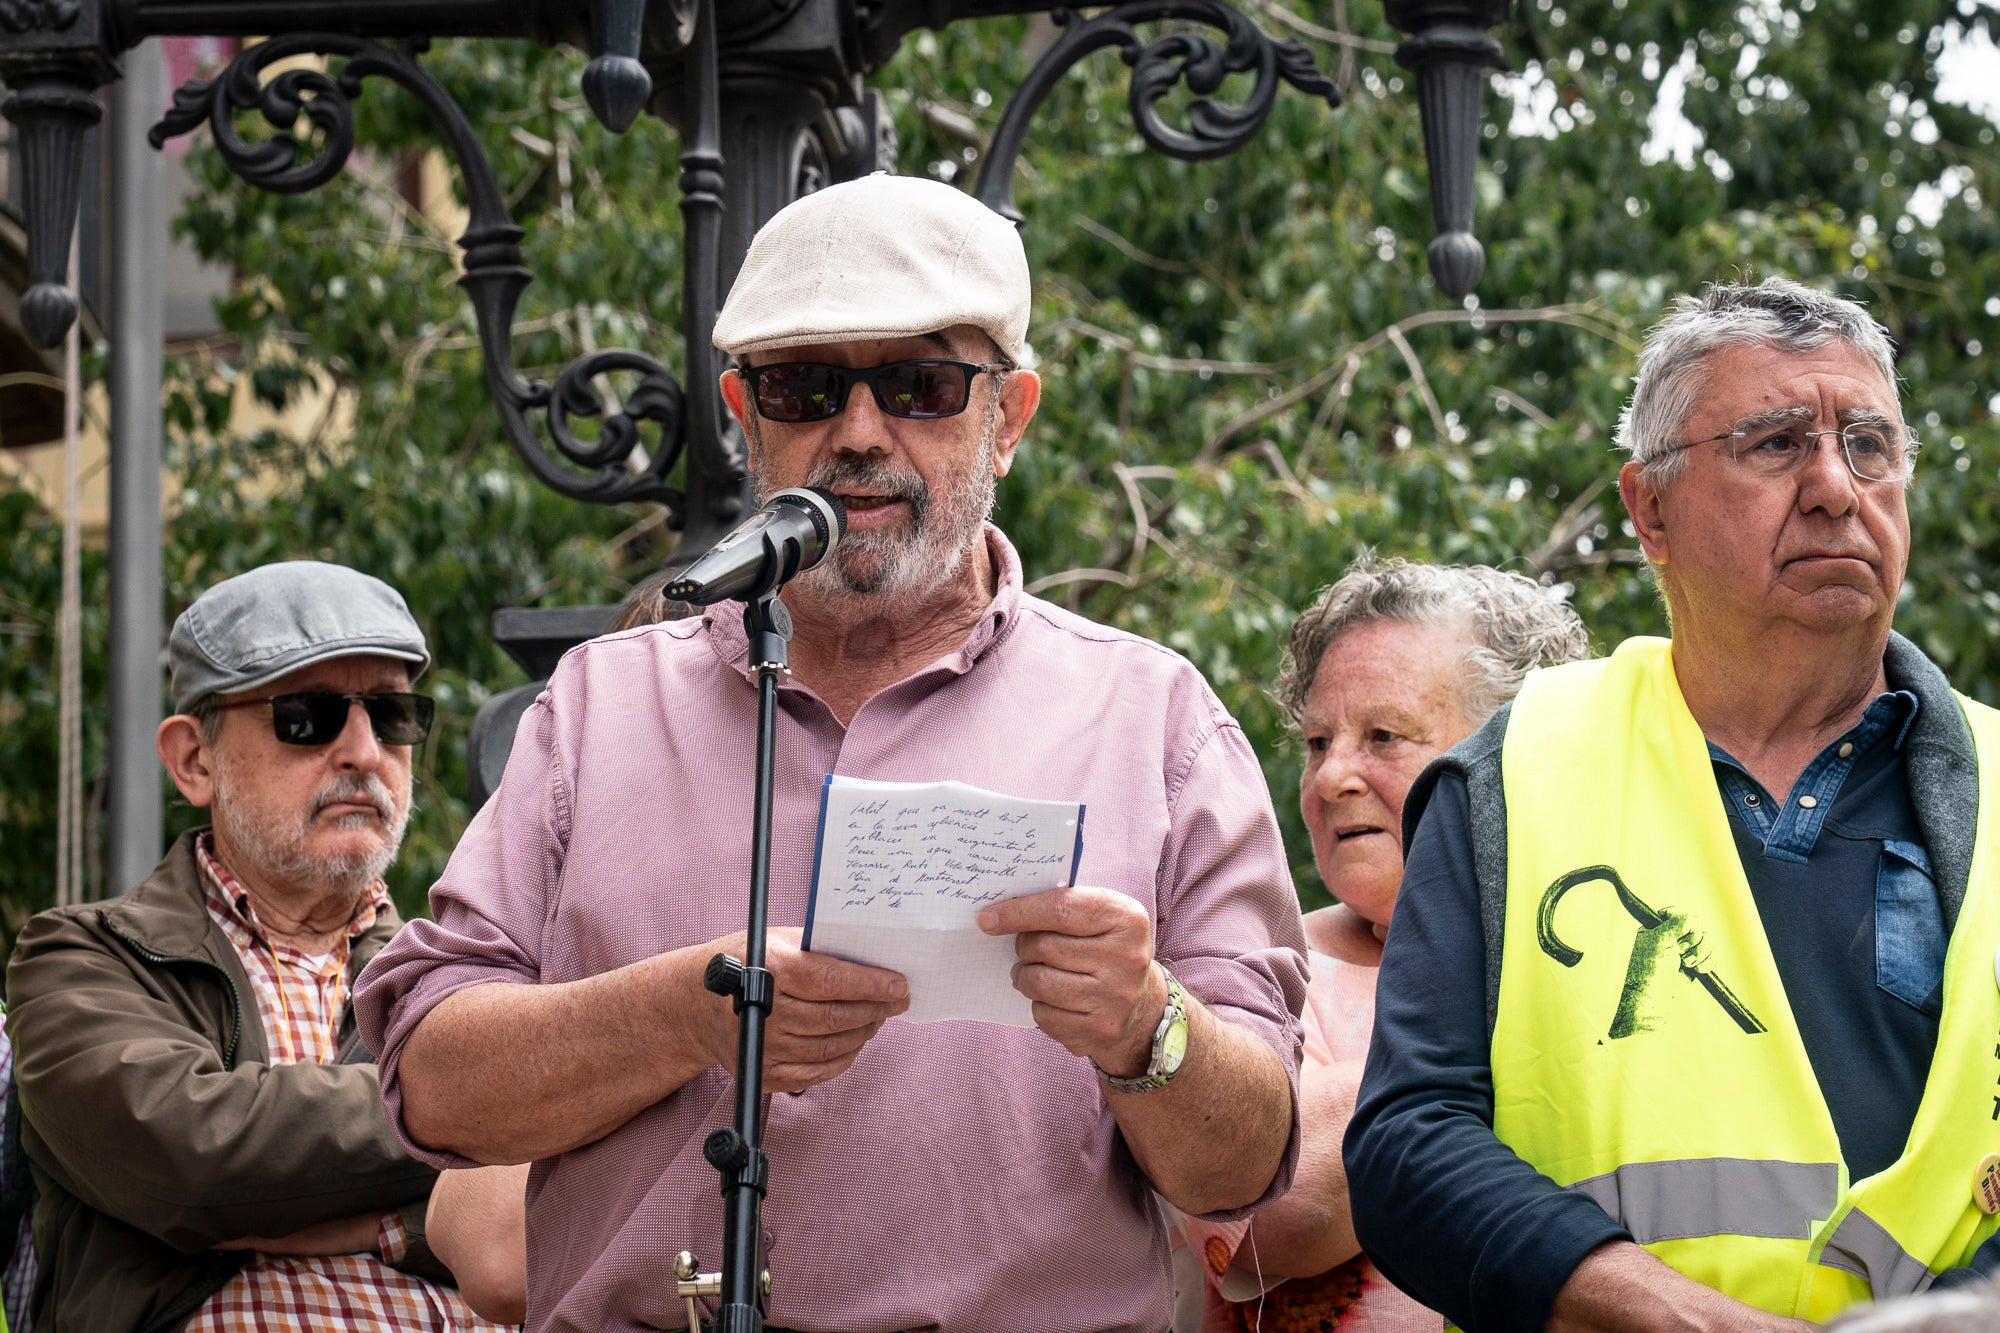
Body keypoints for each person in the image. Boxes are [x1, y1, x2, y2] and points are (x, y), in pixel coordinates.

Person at [353, 172, 1308, 1333]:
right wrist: (688, 1011)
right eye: (805, 386)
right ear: (744, 414)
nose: (858, 433)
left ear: (1006, 417)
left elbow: (1247, 1165)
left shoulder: (1150, 718)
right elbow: (427, 1087)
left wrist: (1144, 1026)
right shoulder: (599, 707)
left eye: (918, 385)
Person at [1345, 275, 2000, 1331]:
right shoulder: (1513, 772)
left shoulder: (1996, 782)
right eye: (1776, 443)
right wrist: (1672, 1315)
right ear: (1647, 510)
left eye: (1868, 444)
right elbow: (1408, 1145)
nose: (1836, 485)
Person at [5, 561, 509, 1333]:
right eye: (307, 714)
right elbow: (190, 1161)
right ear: (192, 760)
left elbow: (558, 1213)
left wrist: (386, 1222)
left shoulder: (470, 966)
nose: (364, 750)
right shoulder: (78, 956)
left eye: (391, 712)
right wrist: (483, 1108)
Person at [1169, 560, 1588, 1332]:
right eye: (1318, 740)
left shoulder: (1613, 948)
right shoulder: (1260, 968)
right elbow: (1278, 1219)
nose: (1331, 776)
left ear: (1519, 753)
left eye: (1383, 737)